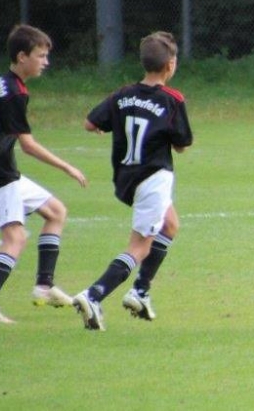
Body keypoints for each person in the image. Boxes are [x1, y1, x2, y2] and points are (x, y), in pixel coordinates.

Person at [0, 24, 88, 323]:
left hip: (1, 168)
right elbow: (28, 145)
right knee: (15, 238)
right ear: (21, 56)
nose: (46, 62)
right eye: (40, 56)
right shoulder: (14, 93)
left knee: (55, 212)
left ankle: (44, 286)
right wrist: (67, 166)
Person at [73, 31, 193, 331]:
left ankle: (140, 291)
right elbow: (182, 144)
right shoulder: (172, 100)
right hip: (153, 178)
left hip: (127, 178)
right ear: (170, 65)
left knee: (170, 224)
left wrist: (108, 126)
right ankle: (93, 295)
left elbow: (90, 123)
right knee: (139, 246)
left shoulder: (123, 95)